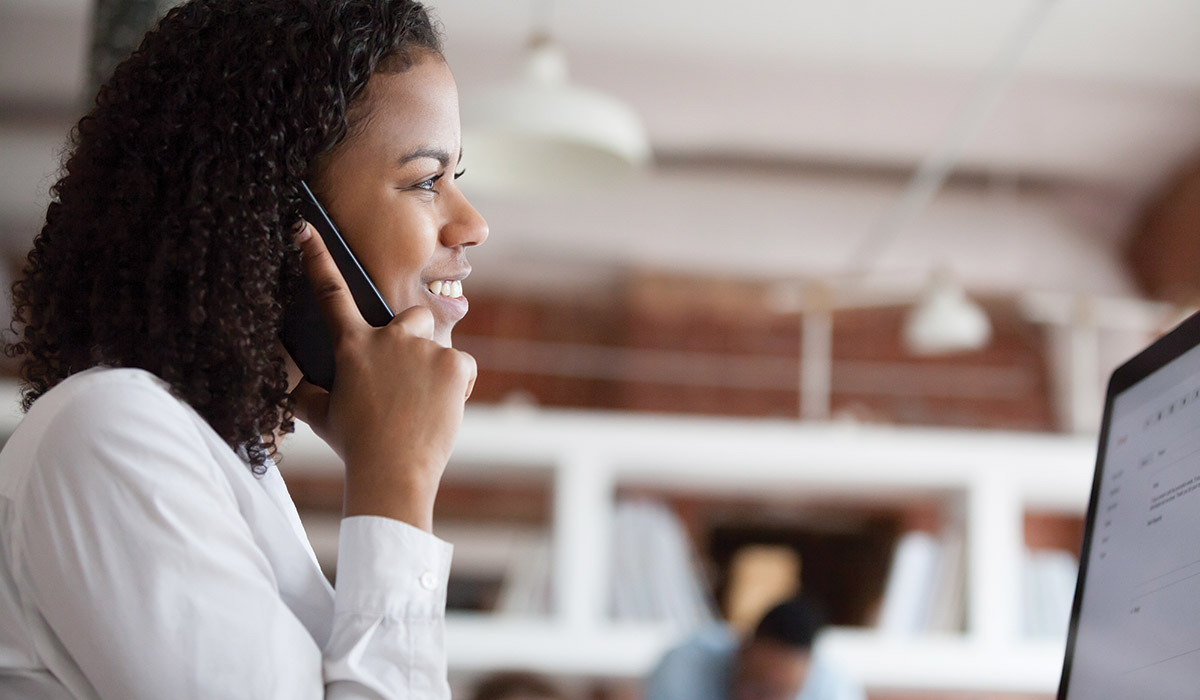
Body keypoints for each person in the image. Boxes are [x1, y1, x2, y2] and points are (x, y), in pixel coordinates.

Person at [0, 0, 487, 698]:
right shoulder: (111, 431)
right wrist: (397, 483)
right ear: (281, 214)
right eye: (425, 181)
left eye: (455, 179)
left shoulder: (226, 462)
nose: (473, 225)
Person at [644, 597, 865, 700]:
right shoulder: (684, 668)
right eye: (757, 689)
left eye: (781, 694)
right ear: (741, 648)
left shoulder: (834, 689)